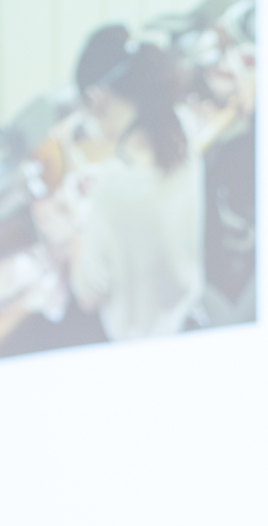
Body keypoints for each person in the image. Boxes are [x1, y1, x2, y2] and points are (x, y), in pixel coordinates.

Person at [64, 26, 204, 341]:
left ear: (96, 98)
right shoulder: (182, 128)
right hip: (186, 309)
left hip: (142, 336)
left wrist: (76, 220)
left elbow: (88, 295)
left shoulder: (112, 189)